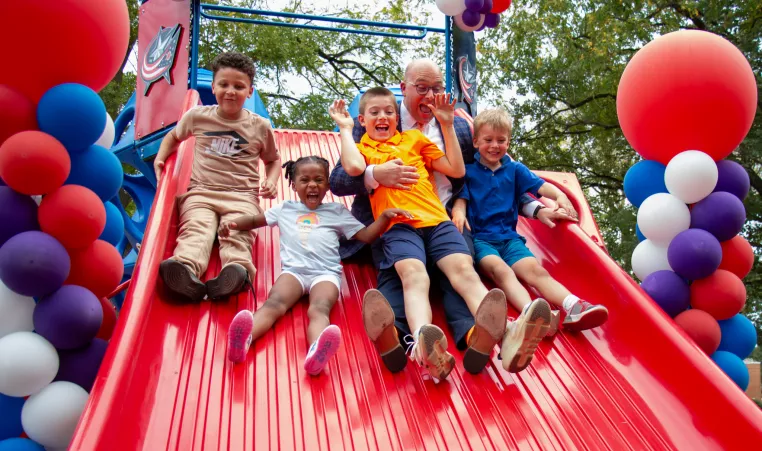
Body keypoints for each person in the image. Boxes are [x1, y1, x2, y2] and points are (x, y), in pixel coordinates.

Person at [329, 60, 569, 377]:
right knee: (403, 275)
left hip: (444, 217)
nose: (431, 95)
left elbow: (488, 173)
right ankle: (403, 339)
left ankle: (482, 335)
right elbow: (340, 178)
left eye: (438, 88)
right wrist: (377, 174)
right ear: (404, 90)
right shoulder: (375, 122)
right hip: (395, 221)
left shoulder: (454, 128)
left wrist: (532, 206)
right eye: (422, 88)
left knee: (460, 270)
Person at [222, 156, 411, 375]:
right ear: (293, 185)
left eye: (319, 180)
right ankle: (244, 339)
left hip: (325, 274)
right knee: (273, 304)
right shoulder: (285, 208)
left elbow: (366, 236)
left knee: (319, 309)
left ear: (327, 185)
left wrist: (384, 218)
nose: (312, 185)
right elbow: (256, 221)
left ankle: (316, 352)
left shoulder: (336, 212)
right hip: (294, 272)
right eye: (305, 180)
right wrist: (234, 224)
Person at [452, 108, 608, 362]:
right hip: (481, 239)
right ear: (477, 142)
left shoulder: (514, 170)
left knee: (536, 271)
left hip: (510, 238)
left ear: (508, 142)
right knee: (501, 271)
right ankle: (530, 316)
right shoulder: (468, 172)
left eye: (501, 140)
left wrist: (558, 196)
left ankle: (573, 305)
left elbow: (540, 186)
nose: (495, 146)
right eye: (488, 140)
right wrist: (459, 209)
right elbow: (460, 198)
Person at [153, 52, 281, 303]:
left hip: (241, 197)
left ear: (250, 91)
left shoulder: (259, 126)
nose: (230, 91)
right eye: (224, 84)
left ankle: (236, 274)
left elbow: (273, 160)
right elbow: (173, 137)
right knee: (196, 230)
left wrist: (272, 180)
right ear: (213, 87)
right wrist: (161, 158)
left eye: (238, 86)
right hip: (201, 193)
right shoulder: (198, 117)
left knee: (236, 233)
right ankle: (184, 272)